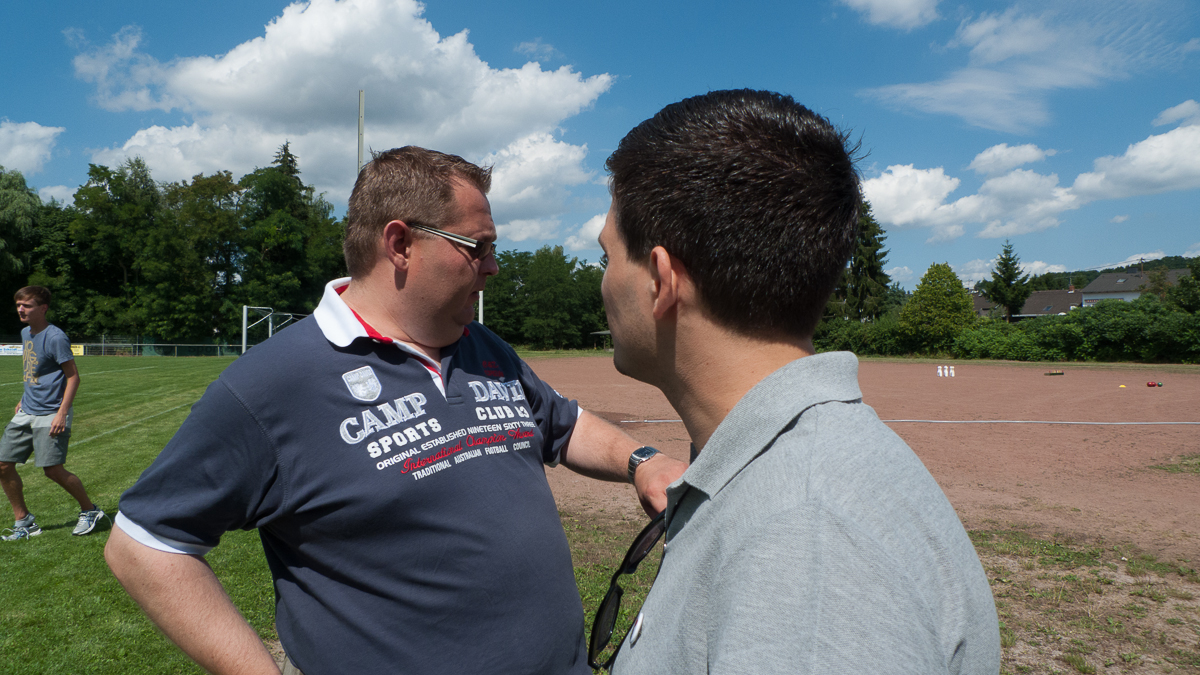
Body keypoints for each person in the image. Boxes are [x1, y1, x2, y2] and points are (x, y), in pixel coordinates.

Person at [104, 146, 686, 675]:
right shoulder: (273, 383)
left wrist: (642, 460)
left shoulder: (483, 347)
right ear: (400, 244)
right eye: (476, 248)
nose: (493, 267)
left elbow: (562, 424)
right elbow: (144, 544)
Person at [597, 90, 1000, 674]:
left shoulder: (806, 548)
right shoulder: (796, 479)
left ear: (661, 280)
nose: (604, 282)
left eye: (607, 255)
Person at [1, 286, 104, 542]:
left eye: (27, 305)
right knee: (2, 465)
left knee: (52, 470)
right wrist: (23, 398)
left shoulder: (56, 337)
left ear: (43, 308)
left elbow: (73, 376)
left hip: (51, 411)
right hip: (27, 409)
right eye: (18, 305)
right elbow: (33, 370)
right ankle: (24, 521)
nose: (21, 310)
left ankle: (90, 511)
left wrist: (62, 413)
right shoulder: (26, 332)